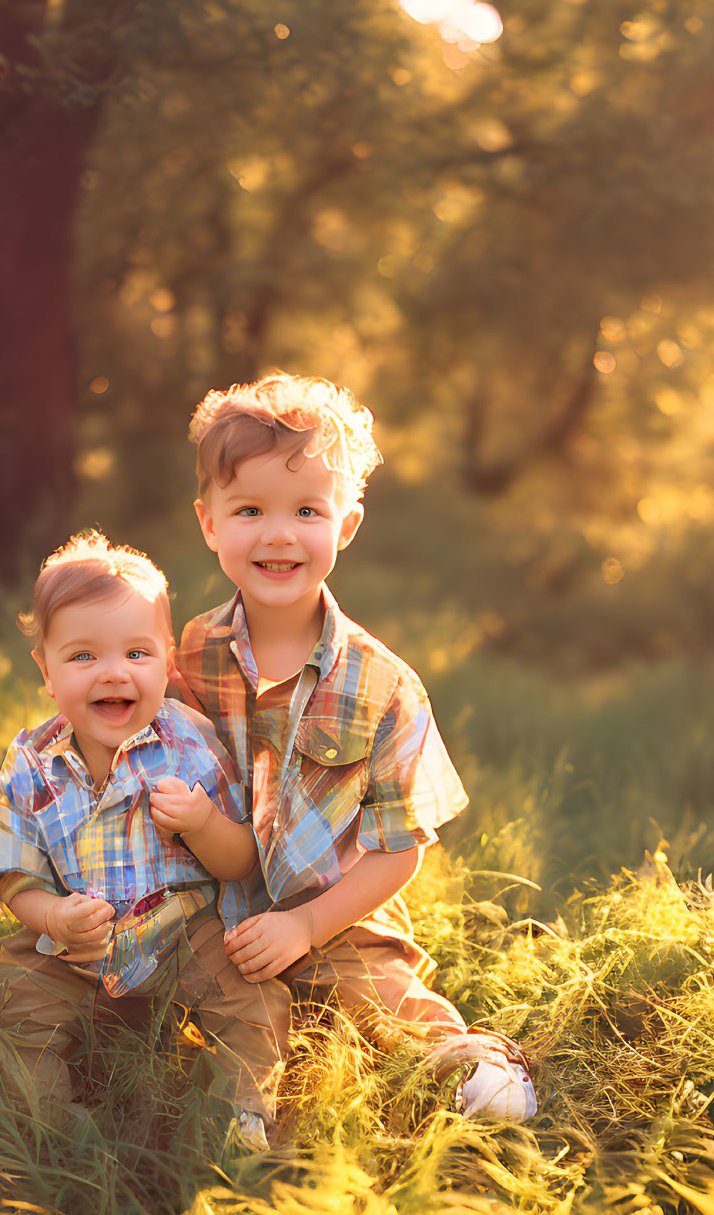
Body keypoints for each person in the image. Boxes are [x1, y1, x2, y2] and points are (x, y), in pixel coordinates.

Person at [174, 373, 536, 1121]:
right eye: (249, 510)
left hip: (337, 917)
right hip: (217, 912)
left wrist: (305, 926)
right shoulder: (193, 652)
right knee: (192, 1002)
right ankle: (241, 1105)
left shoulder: (382, 686)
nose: (278, 534)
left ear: (345, 525)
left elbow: (399, 850)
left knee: (376, 1002)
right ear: (209, 523)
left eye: (306, 511)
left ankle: (470, 1063)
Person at [0, 531, 289, 1149]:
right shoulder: (31, 761)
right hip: (78, 947)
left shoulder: (188, 743)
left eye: (137, 654)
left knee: (251, 995)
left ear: (167, 661)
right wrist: (55, 917)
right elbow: (15, 874)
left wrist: (201, 824)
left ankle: (239, 1119)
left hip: (185, 934)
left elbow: (239, 862)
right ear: (46, 671)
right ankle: (53, 1129)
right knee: (11, 994)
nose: (114, 673)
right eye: (84, 657)